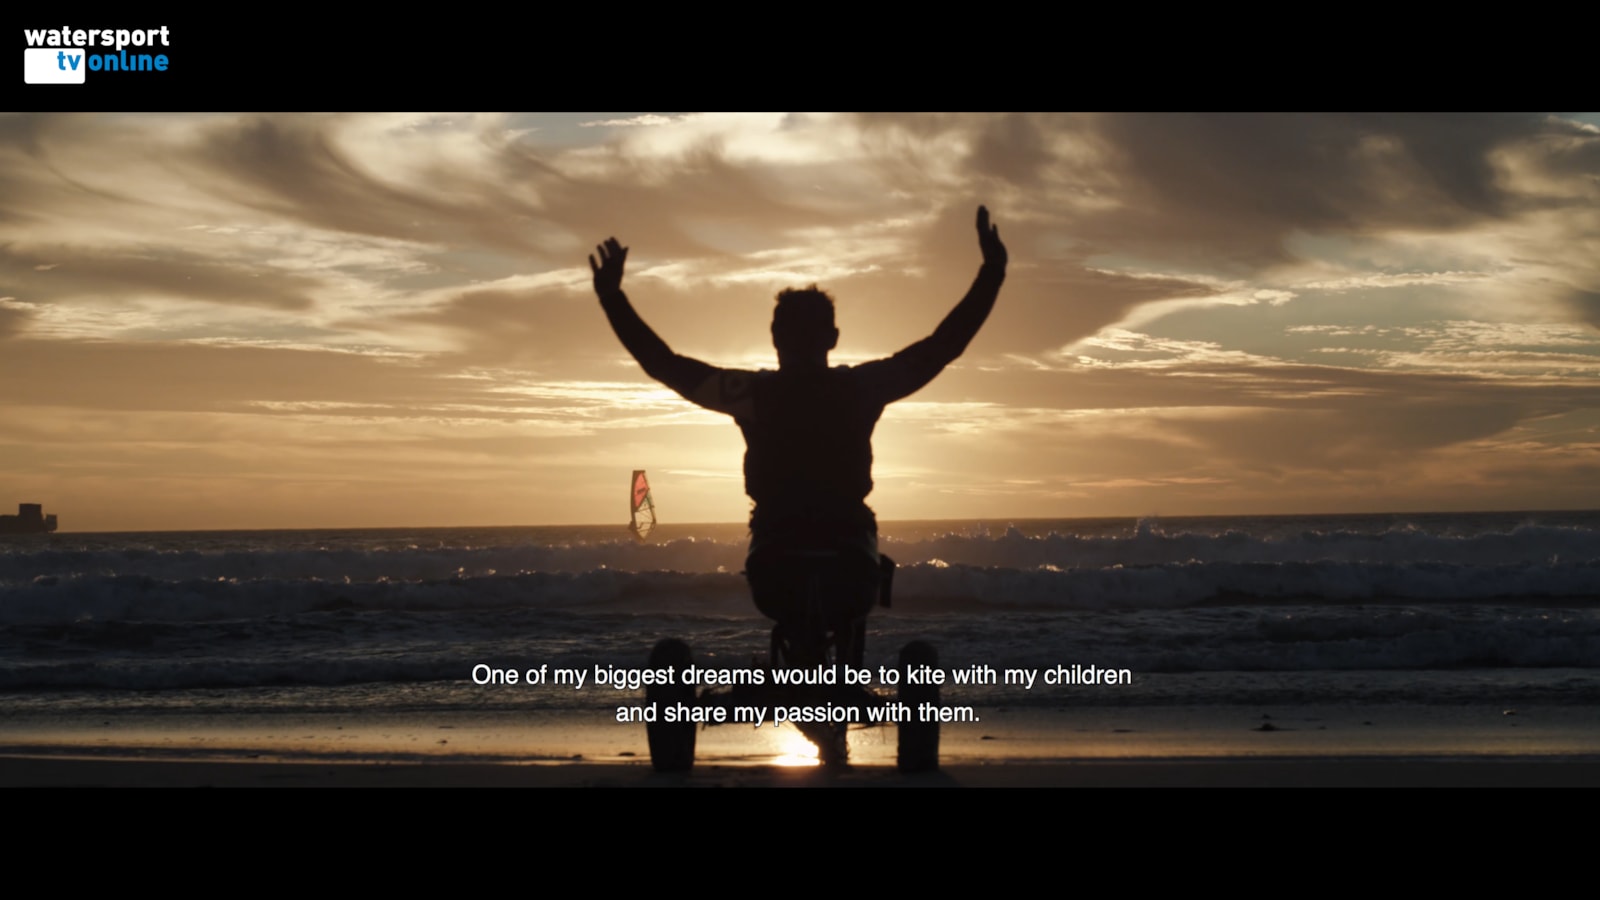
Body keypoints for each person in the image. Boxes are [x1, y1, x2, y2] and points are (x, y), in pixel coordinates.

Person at [592, 206, 1007, 641]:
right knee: (856, 585)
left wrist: (612, 297)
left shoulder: (752, 394)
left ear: (774, 338)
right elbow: (941, 348)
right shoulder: (860, 388)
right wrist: (992, 274)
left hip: (774, 573)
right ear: (833, 338)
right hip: (851, 570)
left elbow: (665, 365)